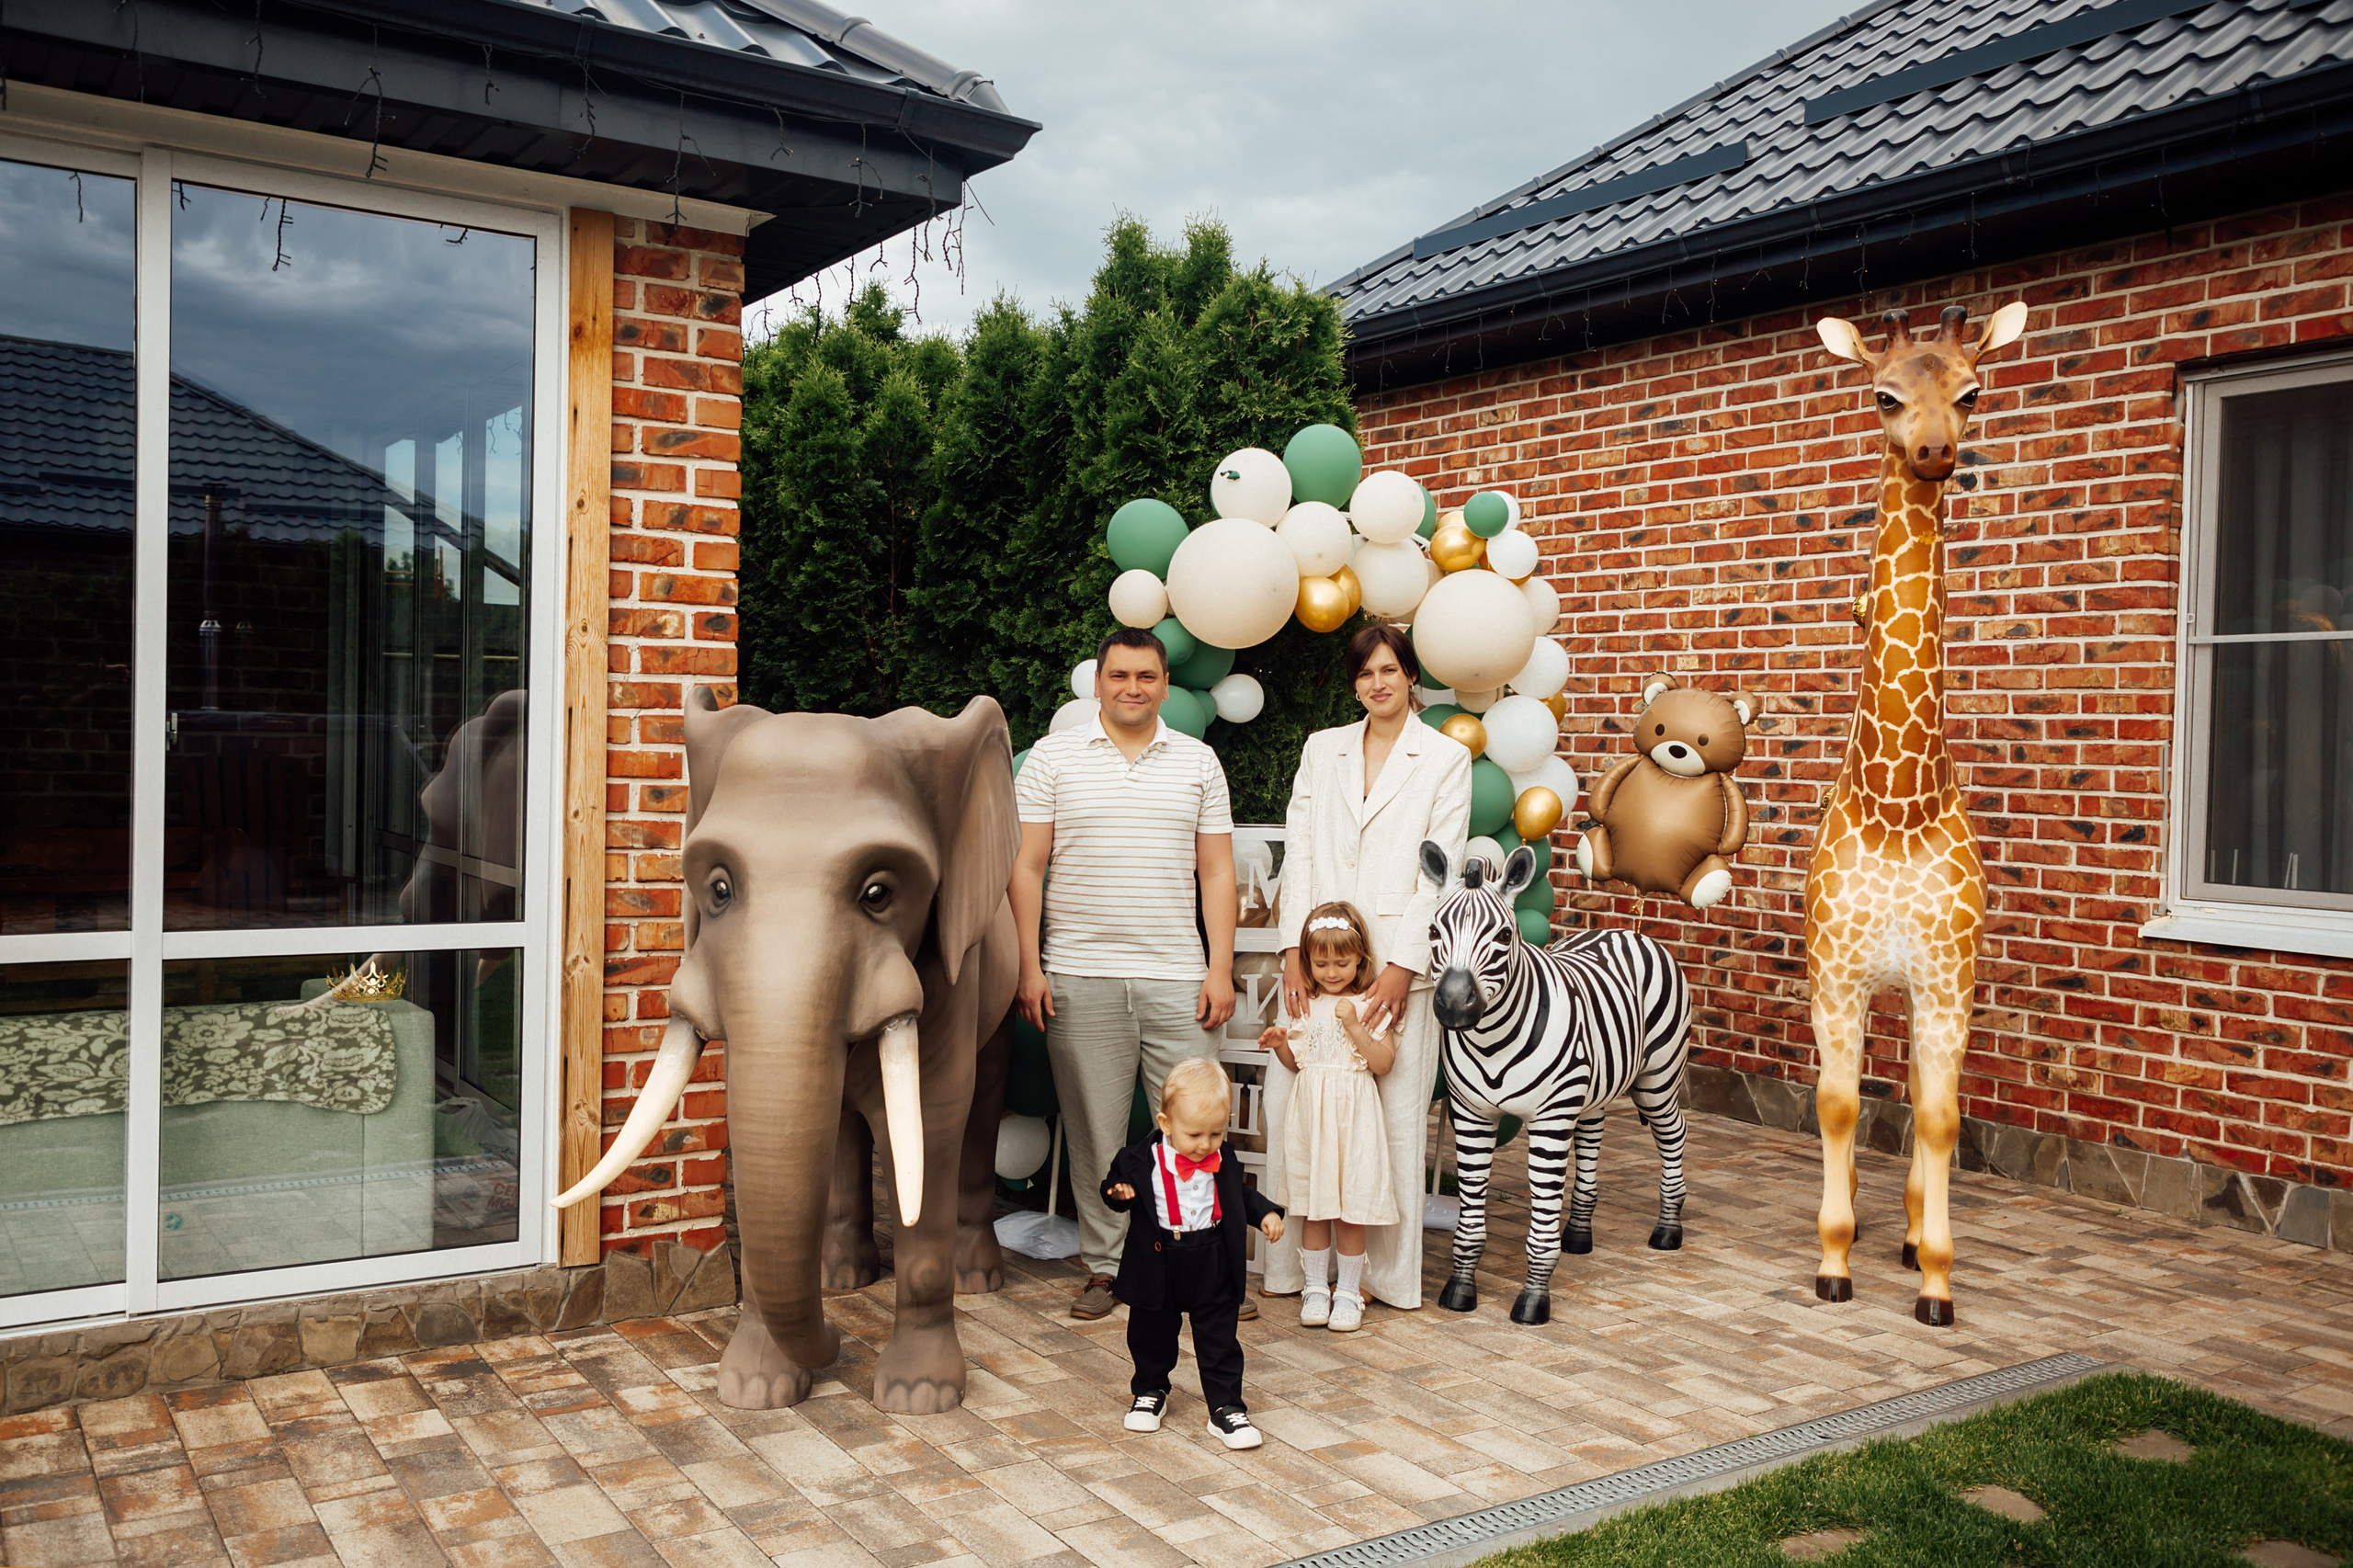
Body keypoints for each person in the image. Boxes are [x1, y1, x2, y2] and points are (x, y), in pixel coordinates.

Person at [1011, 626, 1241, 1323]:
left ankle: (1206, 1268)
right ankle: (1108, 1270)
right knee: (1097, 1138)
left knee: (1197, 1129)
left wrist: (1220, 969)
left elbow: (1217, 872)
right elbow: (1026, 867)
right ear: (1098, 683)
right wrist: (1029, 964)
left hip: (1179, 978)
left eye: (1146, 676)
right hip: (1079, 976)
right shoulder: (1051, 759)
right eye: (1119, 675)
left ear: (1165, 685)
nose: (1132, 688)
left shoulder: (1198, 762)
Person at [1262, 623, 1472, 1312]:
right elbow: (1299, 850)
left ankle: (1378, 1280)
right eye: (1364, 673)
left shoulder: (1445, 758)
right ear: (1354, 684)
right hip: (1318, 956)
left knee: (1393, 1125)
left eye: (1389, 670)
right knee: (1295, 1110)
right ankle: (1297, 1273)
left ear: (1412, 676)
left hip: (1395, 967)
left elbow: (1440, 871)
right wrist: (1292, 954)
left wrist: (1401, 967)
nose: (1377, 683)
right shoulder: (1321, 749)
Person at [1101, 1058, 1284, 1450]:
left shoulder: (1224, 1158)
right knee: (1151, 1333)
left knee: (1220, 1340)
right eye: (1195, 1134)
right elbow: (1113, 1187)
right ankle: (1150, 1390)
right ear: (1165, 1123)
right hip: (1159, 1259)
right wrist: (1119, 1193)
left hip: (1212, 1259)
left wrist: (1266, 1213)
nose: (1205, 1145)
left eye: (1216, 1133)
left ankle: (1226, 1407)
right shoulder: (1137, 1160)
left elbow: (1240, 1195)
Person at [1258, 901, 1396, 1333]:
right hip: (1313, 1121)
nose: (1332, 973)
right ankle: (1315, 1288)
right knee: (1314, 1209)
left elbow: (1383, 1063)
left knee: (1350, 1209)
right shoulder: (1306, 1005)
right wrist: (1280, 1044)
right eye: (1321, 964)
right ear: (1308, 961)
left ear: (1360, 958)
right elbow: (1297, 1063)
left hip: (1354, 1121)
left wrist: (1355, 1026)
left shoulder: (1370, 1004)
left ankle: (1349, 1292)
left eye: (1342, 963)